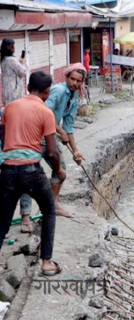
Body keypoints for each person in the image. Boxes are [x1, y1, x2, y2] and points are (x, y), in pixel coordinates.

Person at [0, 71, 64, 276]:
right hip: (31, 171)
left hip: (8, 170)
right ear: (46, 92)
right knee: (49, 210)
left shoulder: (9, 108)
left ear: (28, 87)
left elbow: (3, 138)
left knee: (3, 221)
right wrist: (59, 169)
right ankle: (46, 262)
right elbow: (53, 152)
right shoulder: (45, 112)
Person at [0, 38, 34, 233]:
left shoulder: (3, 62)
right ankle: (25, 217)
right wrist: (23, 60)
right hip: (15, 101)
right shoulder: (12, 62)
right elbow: (24, 73)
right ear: (11, 47)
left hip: (7, 103)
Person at [44, 63, 87, 218]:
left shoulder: (74, 97)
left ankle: (52, 203)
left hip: (50, 134)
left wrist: (75, 151)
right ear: (67, 77)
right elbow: (44, 113)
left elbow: (69, 127)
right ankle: (51, 205)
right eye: (72, 79)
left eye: (78, 81)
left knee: (59, 170)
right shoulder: (60, 90)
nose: (75, 83)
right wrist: (60, 131)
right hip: (40, 134)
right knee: (58, 170)